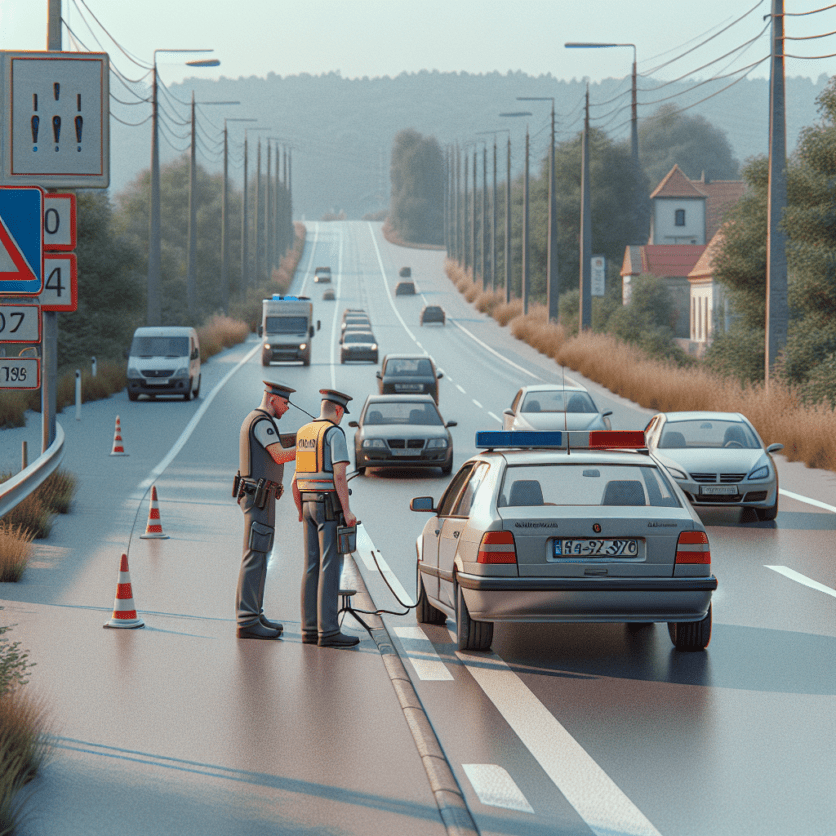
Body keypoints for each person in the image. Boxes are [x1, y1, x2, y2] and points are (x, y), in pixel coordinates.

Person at [292, 389, 359, 648]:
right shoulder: (334, 433)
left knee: (311, 566)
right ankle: (328, 631)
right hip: (328, 507)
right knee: (330, 567)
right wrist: (348, 511)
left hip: (307, 503)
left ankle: (309, 629)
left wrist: (300, 509)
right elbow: (339, 476)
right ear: (339, 411)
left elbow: (295, 479)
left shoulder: (304, 432)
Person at [235, 380, 298, 639]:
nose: (287, 408)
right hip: (258, 497)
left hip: (262, 496)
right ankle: (247, 619)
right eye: (284, 402)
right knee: (256, 555)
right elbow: (279, 455)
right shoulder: (261, 422)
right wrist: (308, 447)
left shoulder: (259, 420)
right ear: (272, 399)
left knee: (260, 556)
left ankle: (254, 612)